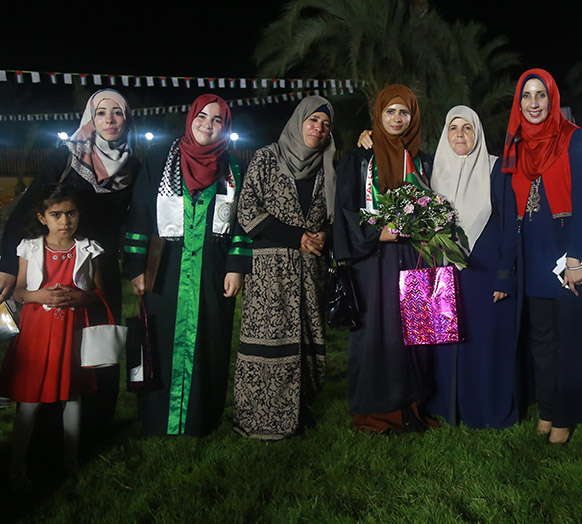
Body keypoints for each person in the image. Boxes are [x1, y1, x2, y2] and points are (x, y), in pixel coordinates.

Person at [0, 89, 138, 443]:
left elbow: (135, 221)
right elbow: (30, 205)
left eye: (118, 112)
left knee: (97, 345)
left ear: (127, 118)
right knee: (50, 347)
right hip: (54, 259)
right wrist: (9, 263)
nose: (110, 120)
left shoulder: (132, 165)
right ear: (91, 118)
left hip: (98, 265)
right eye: (101, 112)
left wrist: (136, 267)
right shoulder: (67, 155)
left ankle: (94, 428)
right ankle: (44, 432)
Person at [125, 94, 251, 437]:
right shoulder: (159, 159)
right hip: (164, 270)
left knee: (209, 342)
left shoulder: (233, 167)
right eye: (202, 117)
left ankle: (200, 419)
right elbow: (140, 211)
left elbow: (242, 221)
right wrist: (136, 266)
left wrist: (236, 266)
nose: (208, 125)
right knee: (160, 341)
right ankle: (157, 419)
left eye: (217, 120)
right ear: (191, 118)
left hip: (212, 271)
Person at [503, 68, 582, 444]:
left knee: (568, 339)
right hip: (533, 253)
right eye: (527, 96)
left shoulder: (573, 137)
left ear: (552, 100)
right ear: (518, 103)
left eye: (541, 95)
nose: (534, 103)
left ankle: (565, 414)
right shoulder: (516, 144)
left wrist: (577, 258)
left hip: (565, 252)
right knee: (541, 339)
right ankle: (547, 409)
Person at [332, 84, 436, 434]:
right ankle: (377, 409)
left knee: (415, 329)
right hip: (373, 260)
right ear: (378, 115)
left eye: (403, 112)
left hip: (414, 255)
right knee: (377, 331)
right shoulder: (359, 158)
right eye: (390, 111)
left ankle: (414, 404)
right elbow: (346, 208)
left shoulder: (421, 160)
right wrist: (376, 234)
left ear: (413, 117)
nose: (396, 118)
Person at [233, 96, 335, 439]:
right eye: (313, 120)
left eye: (325, 124)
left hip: (310, 268)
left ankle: (300, 411)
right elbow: (247, 209)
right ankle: (259, 417)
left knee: (307, 339)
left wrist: (324, 235)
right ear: (298, 121)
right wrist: (296, 237)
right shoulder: (267, 157)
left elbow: (338, 213)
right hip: (270, 271)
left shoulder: (329, 163)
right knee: (269, 339)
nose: (318, 128)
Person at [0, 184, 103, 493]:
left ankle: (71, 460)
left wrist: (80, 298)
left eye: (71, 213)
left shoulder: (89, 249)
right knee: (30, 399)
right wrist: (36, 295)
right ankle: (17, 467)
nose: (65, 221)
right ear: (43, 218)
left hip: (71, 331)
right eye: (56, 215)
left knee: (72, 395)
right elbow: (19, 291)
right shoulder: (29, 248)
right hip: (37, 331)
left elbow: (99, 293)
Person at [424, 105, 520, 429]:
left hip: (485, 273)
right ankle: (448, 408)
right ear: (445, 134)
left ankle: (486, 411)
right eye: (453, 128)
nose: (460, 134)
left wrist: (505, 276)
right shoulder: (432, 172)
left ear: (477, 133)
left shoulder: (496, 169)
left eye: (467, 128)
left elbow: (511, 225)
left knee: (484, 343)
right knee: (445, 342)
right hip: (443, 272)